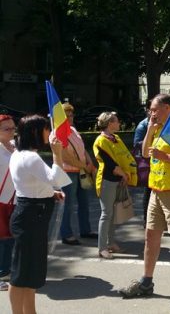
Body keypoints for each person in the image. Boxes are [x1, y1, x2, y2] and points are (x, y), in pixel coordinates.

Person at [118, 94, 170, 311]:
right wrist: (150, 130)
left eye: (154, 109)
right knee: (150, 236)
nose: (151, 113)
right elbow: (145, 153)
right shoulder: (157, 127)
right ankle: (146, 282)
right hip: (156, 189)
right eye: (150, 110)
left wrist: (165, 157)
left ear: (168, 108)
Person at [8, 115, 71, 314]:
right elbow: (56, 180)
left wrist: (50, 193)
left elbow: (33, 183)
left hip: (31, 213)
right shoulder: (30, 157)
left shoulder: (22, 154)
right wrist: (57, 154)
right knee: (21, 273)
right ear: (35, 132)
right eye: (46, 129)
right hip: (30, 216)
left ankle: (30, 311)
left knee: (31, 272)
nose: (50, 133)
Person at [92, 112, 137, 259]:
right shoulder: (101, 141)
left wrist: (126, 173)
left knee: (112, 214)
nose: (119, 123)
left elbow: (125, 157)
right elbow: (110, 164)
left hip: (117, 179)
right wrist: (124, 175)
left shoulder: (115, 138)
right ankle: (102, 248)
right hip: (107, 180)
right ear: (110, 123)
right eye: (117, 121)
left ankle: (110, 243)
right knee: (106, 214)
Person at [59, 103, 97, 246]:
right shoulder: (58, 133)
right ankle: (66, 234)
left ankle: (85, 230)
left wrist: (90, 163)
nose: (70, 118)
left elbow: (82, 149)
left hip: (81, 171)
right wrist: (85, 166)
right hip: (68, 172)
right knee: (68, 205)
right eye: (66, 115)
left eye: (71, 115)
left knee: (84, 202)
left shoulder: (73, 130)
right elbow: (64, 157)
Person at [0, 115, 17, 291]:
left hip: (14, 199)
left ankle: (6, 270)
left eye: (13, 128)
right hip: (1, 200)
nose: (12, 131)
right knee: (2, 238)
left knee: (9, 237)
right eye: (7, 129)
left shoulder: (15, 146)